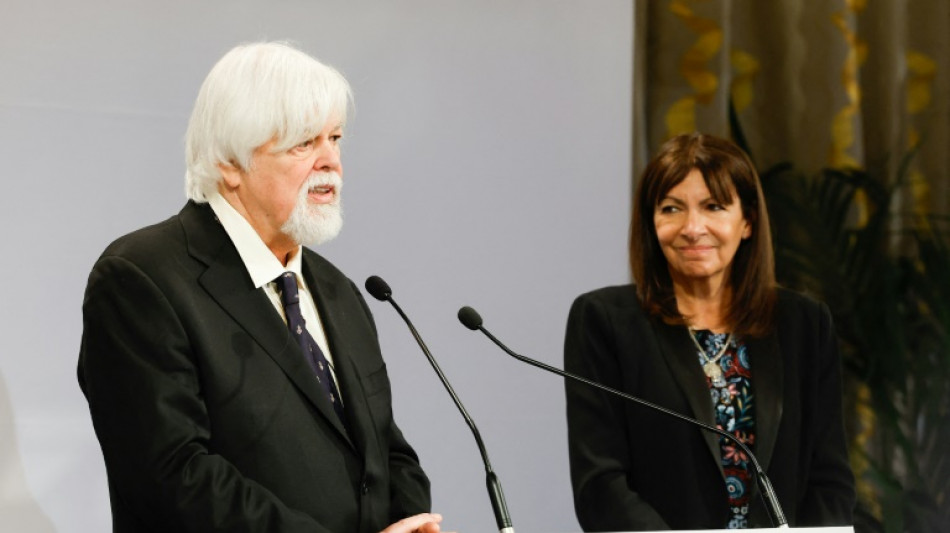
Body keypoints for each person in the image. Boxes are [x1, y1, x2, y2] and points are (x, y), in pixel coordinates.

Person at [78, 41, 446, 533]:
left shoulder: (339, 292)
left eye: (335, 138)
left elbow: (387, 452)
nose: (331, 161)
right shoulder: (142, 279)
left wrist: (410, 522)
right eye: (303, 144)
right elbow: (174, 477)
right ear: (231, 163)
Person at [564, 133, 856, 530]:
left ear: (747, 221)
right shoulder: (604, 321)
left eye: (713, 207)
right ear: (652, 222)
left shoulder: (804, 324)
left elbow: (830, 479)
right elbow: (600, 483)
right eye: (671, 208)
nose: (692, 227)